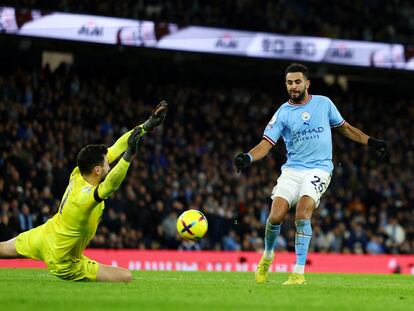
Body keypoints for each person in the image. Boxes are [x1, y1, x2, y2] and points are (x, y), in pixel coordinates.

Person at [234, 63, 387, 285]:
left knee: (303, 213)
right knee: (275, 216)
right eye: (289, 83)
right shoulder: (283, 113)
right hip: (293, 169)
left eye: (297, 82)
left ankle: (298, 273)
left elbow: (345, 127)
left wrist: (370, 142)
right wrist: (247, 157)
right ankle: (267, 255)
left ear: (307, 83)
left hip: (319, 169)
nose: (293, 86)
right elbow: (266, 144)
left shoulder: (324, 104)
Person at [0, 101, 168, 282]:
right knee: (126, 277)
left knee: (2, 249)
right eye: (106, 163)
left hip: (45, 235)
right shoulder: (84, 199)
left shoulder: (79, 173)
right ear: (97, 170)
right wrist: (128, 157)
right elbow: (110, 185)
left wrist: (148, 124)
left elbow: (117, 147)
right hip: (63, 260)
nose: (109, 164)